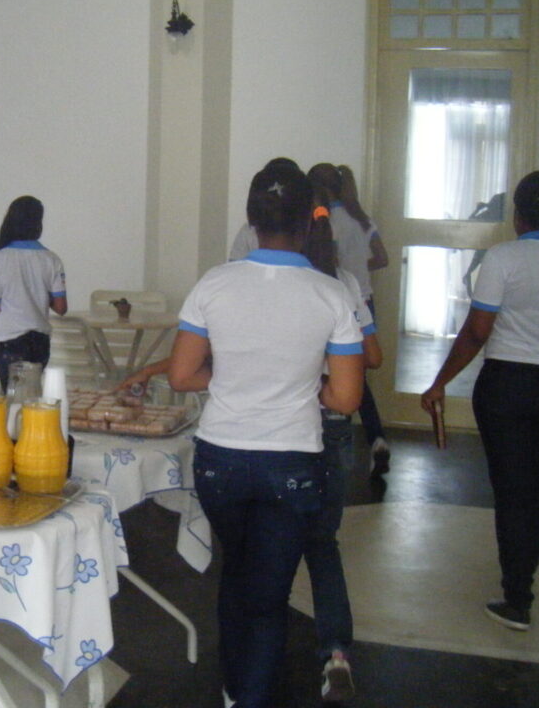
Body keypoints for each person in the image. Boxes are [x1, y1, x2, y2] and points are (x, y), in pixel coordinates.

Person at [170, 166, 363, 707]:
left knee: (237, 576)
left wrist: (233, 379)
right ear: (307, 222)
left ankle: (234, 691)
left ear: (252, 221)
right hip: (292, 464)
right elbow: (345, 399)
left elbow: (182, 376)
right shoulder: (331, 294)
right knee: (268, 595)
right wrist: (305, 387)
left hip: (220, 460)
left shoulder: (214, 283)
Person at [420, 171, 539, 633]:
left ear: (518, 215)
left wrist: (439, 383)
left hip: (507, 387)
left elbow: (477, 332)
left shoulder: (504, 258)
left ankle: (518, 598)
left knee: (515, 494)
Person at [301, 171, 383, 702]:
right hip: (332, 428)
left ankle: (248, 662)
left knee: (263, 546)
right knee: (323, 545)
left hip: (279, 426)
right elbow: (371, 357)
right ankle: (336, 654)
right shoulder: (345, 284)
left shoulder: (270, 283)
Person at [331, 164, 391, 473]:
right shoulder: (364, 220)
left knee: (338, 375)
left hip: (340, 302)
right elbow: (382, 258)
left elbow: (329, 261)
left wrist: (347, 269)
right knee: (359, 376)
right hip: (365, 302)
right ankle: (377, 438)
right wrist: (360, 268)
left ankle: (340, 439)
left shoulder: (328, 222)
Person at [0, 195, 67, 391]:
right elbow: (61, 308)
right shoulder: (51, 259)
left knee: (13, 400)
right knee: (33, 396)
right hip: (40, 340)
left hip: (10, 340)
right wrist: (40, 294)